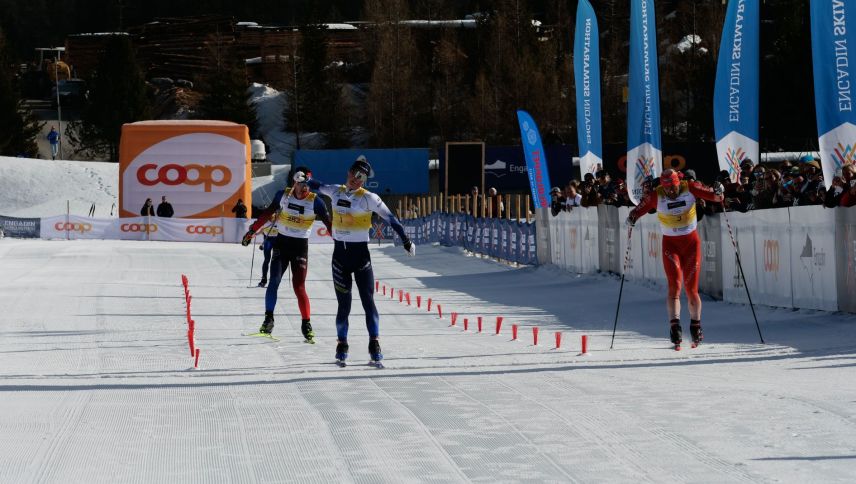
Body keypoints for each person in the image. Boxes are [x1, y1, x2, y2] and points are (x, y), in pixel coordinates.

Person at [307, 155, 415, 366]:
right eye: (355, 174)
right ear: (349, 172)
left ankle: (374, 344)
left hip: (361, 257)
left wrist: (406, 240)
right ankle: (342, 344)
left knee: (368, 302)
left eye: (362, 177)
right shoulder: (336, 190)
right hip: (339, 257)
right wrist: (304, 178)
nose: (357, 179)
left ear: (365, 180)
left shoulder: (369, 198)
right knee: (343, 306)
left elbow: (391, 218)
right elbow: (316, 185)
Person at [626, 169, 725, 350]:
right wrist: (632, 217)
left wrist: (719, 191)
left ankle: (696, 326)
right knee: (674, 286)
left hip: (691, 245)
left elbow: (717, 198)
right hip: (670, 246)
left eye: (672, 186)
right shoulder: (658, 195)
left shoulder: (690, 187)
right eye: (666, 188)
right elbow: (639, 210)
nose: (670, 191)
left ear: (678, 181)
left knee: (691, 289)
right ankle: (675, 327)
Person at [241, 167, 332, 342]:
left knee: (299, 287)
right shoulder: (282, 195)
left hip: (300, 248)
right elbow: (267, 214)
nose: (305, 188)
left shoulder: (316, 201)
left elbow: (329, 226)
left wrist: (343, 241)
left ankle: (306, 324)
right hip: (281, 245)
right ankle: (268, 320)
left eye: (308, 184)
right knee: (273, 282)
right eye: (301, 184)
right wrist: (251, 231)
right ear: (294, 183)